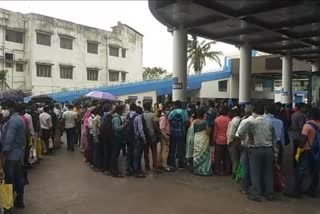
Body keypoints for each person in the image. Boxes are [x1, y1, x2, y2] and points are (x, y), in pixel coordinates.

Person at [238, 104, 278, 202]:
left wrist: (248, 139)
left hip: (256, 150)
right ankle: (269, 193)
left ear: (254, 111)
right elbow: (274, 139)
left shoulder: (252, 123)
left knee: (255, 172)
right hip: (268, 149)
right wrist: (276, 152)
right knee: (268, 172)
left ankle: (256, 194)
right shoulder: (269, 123)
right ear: (264, 112)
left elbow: (240, 132)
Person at [287, 108, 320, 198]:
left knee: (300, 170)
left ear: (310, 115)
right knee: (315, 171)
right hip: (317, 151)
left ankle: (296, 191)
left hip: (307, 150)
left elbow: (303, 140)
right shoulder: (318, 124)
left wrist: (298, 151)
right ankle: (313, 190)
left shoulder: (307, 125)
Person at [1, 100, 26, 209]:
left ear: (11, 108)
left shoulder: (13, 121)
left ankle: (9, 203)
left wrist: (3, 154)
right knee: (19, 177)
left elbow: (9, 139)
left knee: (10, 179)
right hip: (18, 153)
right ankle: (19, 200)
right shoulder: (19, 119)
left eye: (6, 108)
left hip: (11, 155)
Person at [236, 105, 255, 194]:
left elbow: (238, 134)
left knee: (245, 167)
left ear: (247, 112)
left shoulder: (245, 121)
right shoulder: (259, 120)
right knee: (254, 168)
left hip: (246, 146)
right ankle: (254, 187)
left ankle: (245, 187)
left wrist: (245, 139)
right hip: (256, 147)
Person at [168, 100, 188, 169]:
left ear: (175, 105)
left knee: (172, 148)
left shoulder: (172, 112)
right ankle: (180, 165)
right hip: (182, 132)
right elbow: (186, 122)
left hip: (173, 132)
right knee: (181, 149)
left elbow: (169, 121)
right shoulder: (185, 112)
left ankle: (172, 164)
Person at [192, 109, 212, 176]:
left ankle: (196, 169)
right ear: (203, 114)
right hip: (203, 138)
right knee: (204, 153)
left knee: (196, 153)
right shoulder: (205, 122)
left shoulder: (194, 122)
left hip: (196, 137)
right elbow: (207, 132)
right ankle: (204, 170)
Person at [213, 106, 231, 175]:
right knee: (226, 157)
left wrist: (214, 139)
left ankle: (217, 170)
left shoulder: (217, 120)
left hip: (218, 140)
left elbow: (215, 131)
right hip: (226, 140)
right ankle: (226, 170)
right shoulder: (229, 120)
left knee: (218, 157)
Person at [110, 105, 127, 177]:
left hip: (116, 137)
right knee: (115, 154)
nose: (123, 111)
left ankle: (113, 169)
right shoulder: (116, 118)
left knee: (115, 154)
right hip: (116, 137)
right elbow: (117, 128)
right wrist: (124, 125)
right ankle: (114, 171)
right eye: (123, 110)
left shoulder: (115, 116)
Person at [227, 105, 242, 177]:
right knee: (240, 158)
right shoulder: (241, 120)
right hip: (240, 141)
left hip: (234, 141)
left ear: (234, 113)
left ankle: (235, 173)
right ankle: (240, 173)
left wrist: (229, 141)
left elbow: (231, 133)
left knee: (234, 158)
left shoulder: (233, 121)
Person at [143, 102, 158, 171]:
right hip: (152, 135)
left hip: (144, 136)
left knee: (146, 152)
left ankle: (147, 166)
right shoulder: (153, 115)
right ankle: (155, 165)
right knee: (154, 151)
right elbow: (156, 125)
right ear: (150, 108)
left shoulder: (141, 115)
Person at [133, 106, 146, 178]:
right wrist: (144, 138)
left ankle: (137, 170)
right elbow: (140, 129)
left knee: (136, 155)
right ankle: (137, 171)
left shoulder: (133, 116)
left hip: (135, 138)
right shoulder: (139, 118)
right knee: (138, 155)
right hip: (139, 138)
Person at [158, 104, 172, 172]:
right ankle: (165, 165)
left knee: (162, 150)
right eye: (167, 109)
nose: (168, 110)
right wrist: (165, 136)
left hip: (164, 135)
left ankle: (160, 164)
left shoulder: (164, 116)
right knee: (165, 151)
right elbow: (161, 128)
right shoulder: (163, 117)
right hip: (165, 135)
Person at [125, 104, 138, 176]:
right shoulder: (137, 116)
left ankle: (127, 169)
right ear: (135, 108)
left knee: (128, 153)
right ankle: (134, 169)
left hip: (128, 137)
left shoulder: (127, 115)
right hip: (134, 137)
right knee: (135, 153)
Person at [91, 107, 103, 171]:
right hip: (97, 136)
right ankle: (96, 166)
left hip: (98, 136)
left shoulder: (99, 118)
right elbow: (94, 130)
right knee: (96, 152)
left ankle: (97, 165)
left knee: (97, 151)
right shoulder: (96, 119)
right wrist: (96, 138)